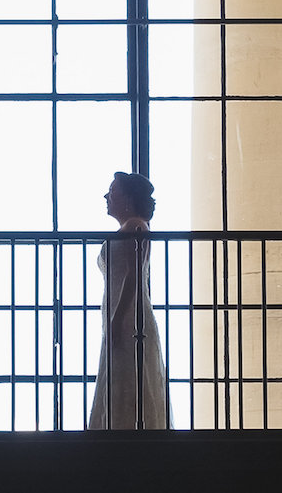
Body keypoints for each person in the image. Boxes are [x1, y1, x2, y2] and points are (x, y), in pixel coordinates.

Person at [88, 171, 168, 430]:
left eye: (113, 191)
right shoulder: (130, 227)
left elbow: (134, 276)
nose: (107, 196)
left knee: (129, 372)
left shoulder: (137, 226)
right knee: (120, 374)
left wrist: (118, 317)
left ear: (128, 198)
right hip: (117, 313)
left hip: (129, 315)